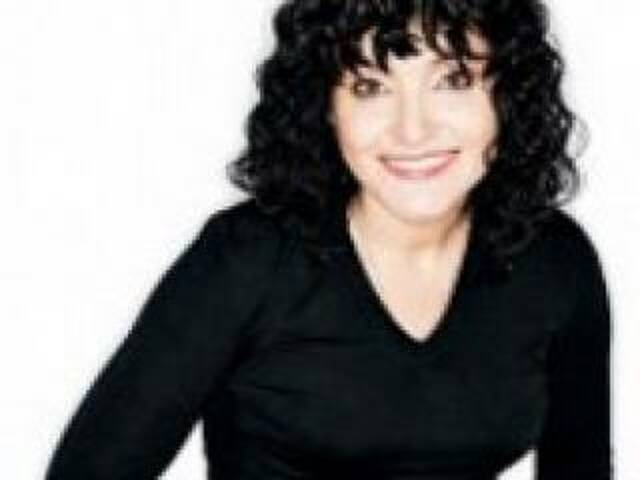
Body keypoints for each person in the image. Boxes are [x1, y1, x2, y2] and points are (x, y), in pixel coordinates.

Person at [45, 0, 613, 478]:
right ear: (326, 109)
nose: (412, 129)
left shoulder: (554, 260)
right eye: (369, 86)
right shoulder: (249, 258)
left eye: (453, 81)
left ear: (506, 98)